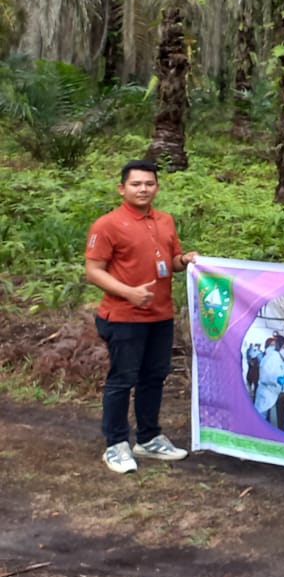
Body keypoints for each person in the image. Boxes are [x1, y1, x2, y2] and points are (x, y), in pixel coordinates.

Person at [84, 159, 198, 473]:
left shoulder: (165, 220)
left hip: (160, 315)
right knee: (123, 379)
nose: (143, 189)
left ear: (157, 187)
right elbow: (93, 271)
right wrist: (128, 292)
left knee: (154, 377)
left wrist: (185, 259)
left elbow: (171, 261)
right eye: (136, 184)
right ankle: (116, 444)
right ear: (122, 188)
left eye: (149, 183)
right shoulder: (107, 224)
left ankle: (148, 438)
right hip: (123, 316)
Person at [255, 335, 284, 428]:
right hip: (265, 393)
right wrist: (276, 379)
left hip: (273, 393)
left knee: (267, 419)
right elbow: (264, 376)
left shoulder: (279, 359)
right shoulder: (271, 357)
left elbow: (283, 369)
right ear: (279, 346)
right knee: (260, 417)